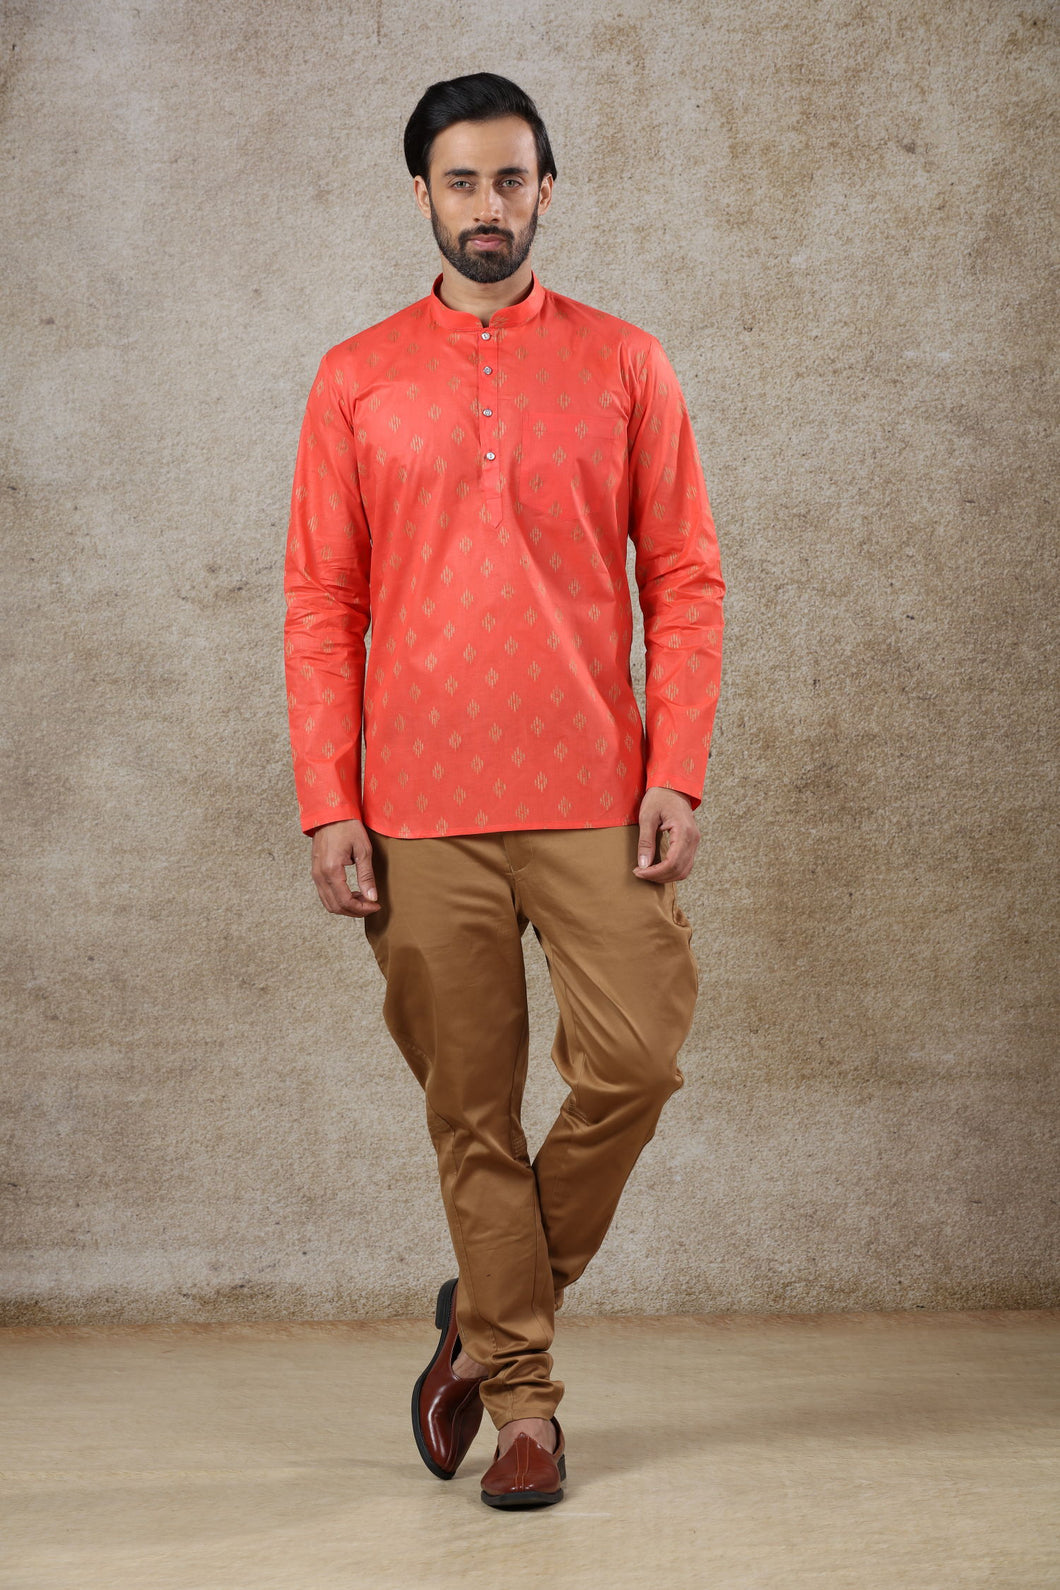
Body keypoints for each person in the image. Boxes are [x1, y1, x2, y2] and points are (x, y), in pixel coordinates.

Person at [283, 72, 724, 1509]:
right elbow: (321, 599)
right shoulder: (355, 376)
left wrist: (677, 766)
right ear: (422, 193)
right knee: (471, 1113)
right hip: (415, 808)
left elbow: (685, 576)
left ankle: (479, 1319)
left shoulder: (626, 363)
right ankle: (523, 1405)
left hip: (597, 786)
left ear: (548, 189)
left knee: (638, 1057)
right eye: (463, 181)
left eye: (513, 179)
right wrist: (328, 798)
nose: (490, 206)